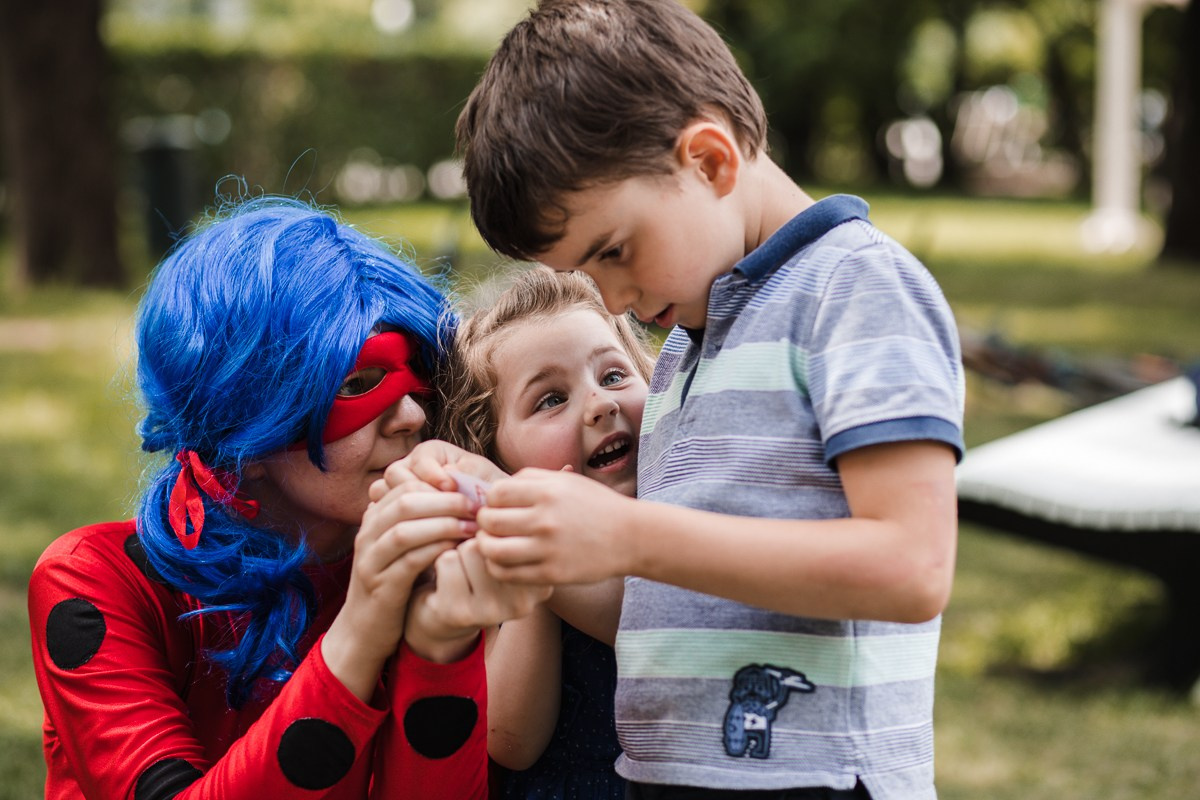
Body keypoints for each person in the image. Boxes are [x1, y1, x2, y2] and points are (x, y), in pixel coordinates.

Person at [390, 1, 967, 798]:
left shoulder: (854, 288)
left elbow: (912, 565)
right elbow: (666, 609)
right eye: (590, 279)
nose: (617, 300)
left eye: (615, 252)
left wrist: (627, 532)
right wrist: (507, 513)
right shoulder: (690, 350)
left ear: (709, 160)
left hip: (823, 779)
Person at [27, 195, 549, 800]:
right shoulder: (96, 582)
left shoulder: (429, 561)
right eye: (357, 385)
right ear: (244, 431)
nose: (409, 415)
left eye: (420, 377)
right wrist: (361, 627)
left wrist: (440, 637)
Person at [436, 267, 655, 799]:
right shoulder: (496, 561)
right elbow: (512, 740)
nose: (601, 404)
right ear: (493, 454)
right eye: (551, 400)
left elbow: (651, 625)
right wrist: (526, 550)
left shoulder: (681, 512)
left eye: (613, 376)